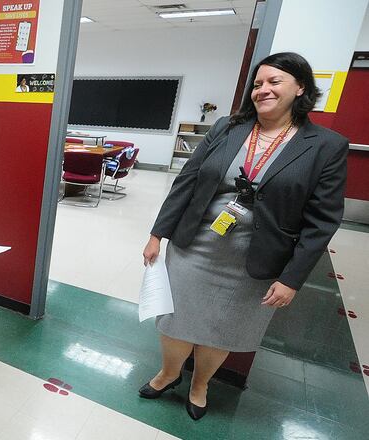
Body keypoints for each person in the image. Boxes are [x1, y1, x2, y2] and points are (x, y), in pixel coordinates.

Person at [139, 52, 348, 421]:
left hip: (255, 259)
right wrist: (158, 234)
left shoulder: (325, 145)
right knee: (174, 319)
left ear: (300, 88)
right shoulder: (227, 128)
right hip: (194, 247)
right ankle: (169, 373)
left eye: (274, 82)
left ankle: (200, 384)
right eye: (257, 83)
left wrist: (292, 279)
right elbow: (187, 180)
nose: (262, 89)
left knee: (224, 327)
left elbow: (322, 221)